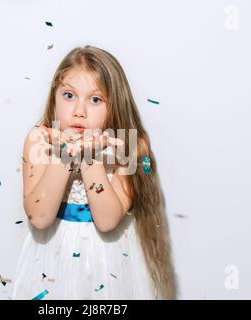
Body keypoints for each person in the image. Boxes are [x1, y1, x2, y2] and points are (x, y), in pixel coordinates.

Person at [11, 45, 178, 300]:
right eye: (69, 96)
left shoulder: (131, 146)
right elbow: (40, 217)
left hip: (109, 263)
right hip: (51, 261)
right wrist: (66, 153)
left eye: (96, 99)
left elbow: (108, 221)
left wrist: (89, 157)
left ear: (115, 104)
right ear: (54, 96)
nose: (79, 111)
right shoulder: (39, 140)